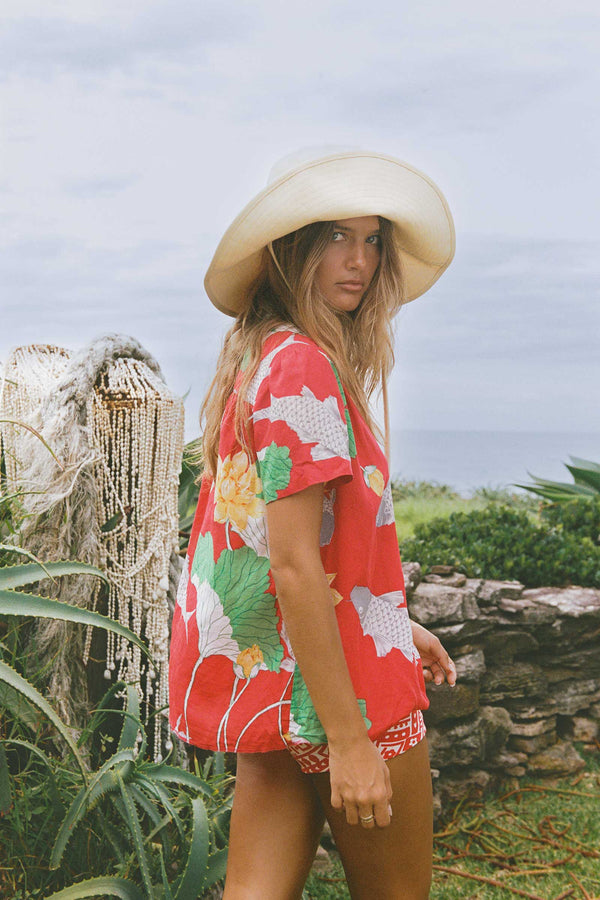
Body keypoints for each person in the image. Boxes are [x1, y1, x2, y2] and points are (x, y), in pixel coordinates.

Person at [169, 148, 458, 899]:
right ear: (289, 249)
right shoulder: (304, 367)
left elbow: (287, 549)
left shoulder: (258, 357)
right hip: (347, 701)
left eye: (371, 241)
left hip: (278, 686)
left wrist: (389, 620)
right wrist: (353, 743)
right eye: (336, 236)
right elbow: (295, 567)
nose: (358, 261)